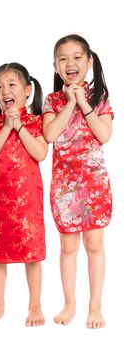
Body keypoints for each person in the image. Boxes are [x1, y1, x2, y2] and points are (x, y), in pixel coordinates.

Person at [42, 34, 113, 329]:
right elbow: (49, 135)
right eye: (63, 58)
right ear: (56, 65)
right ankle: (69, 303)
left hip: (94, 184)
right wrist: (69, 102)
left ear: (89, 61)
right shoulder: (51, 99)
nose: (70, 64)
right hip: (64, 187)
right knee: (68, 247)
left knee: (95, 245)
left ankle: (95, 304)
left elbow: (104, 135)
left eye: (76, 57)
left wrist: (83, 102)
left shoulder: (99, 98)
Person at [0, 62, 48, 327]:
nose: (4, 90)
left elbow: (40, 153)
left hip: (28, 202)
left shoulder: (36, 121)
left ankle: (35, 305)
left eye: (11, 84)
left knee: (32, 256)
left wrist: (19, 127)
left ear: (28, 91)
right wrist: (7, 126)